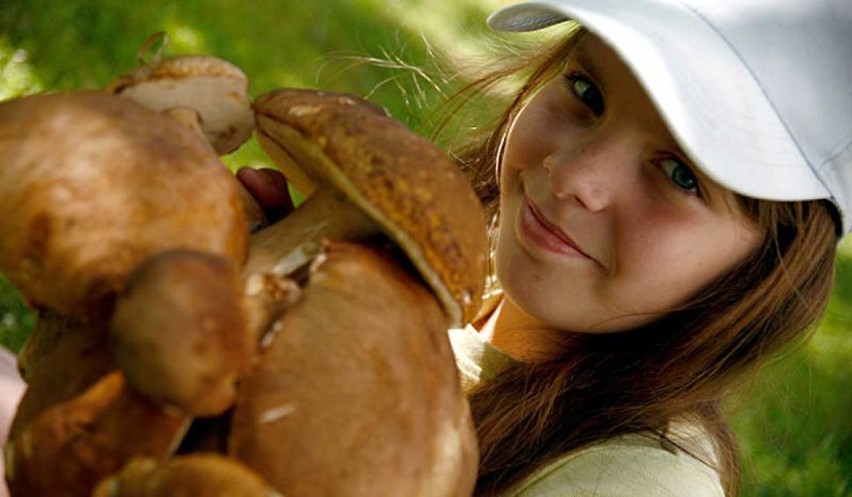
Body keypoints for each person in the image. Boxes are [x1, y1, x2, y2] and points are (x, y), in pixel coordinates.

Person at [239, 0, 851, 495]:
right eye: (587, 92)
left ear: (767, 267)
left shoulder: (634, 485)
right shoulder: (431, 283)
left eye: (681, 175)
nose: (571, 176)